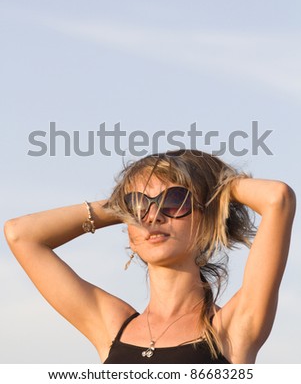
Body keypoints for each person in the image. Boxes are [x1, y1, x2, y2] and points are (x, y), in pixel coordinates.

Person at [4, 149, 296, 364]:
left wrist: (209, 183)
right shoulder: (112, 325)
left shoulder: (233, 328)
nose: (153, 216)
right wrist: (119, 206)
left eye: (174, 200)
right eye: (137, 205)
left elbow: (277, 198)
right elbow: (21, 233)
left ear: (206, 218)